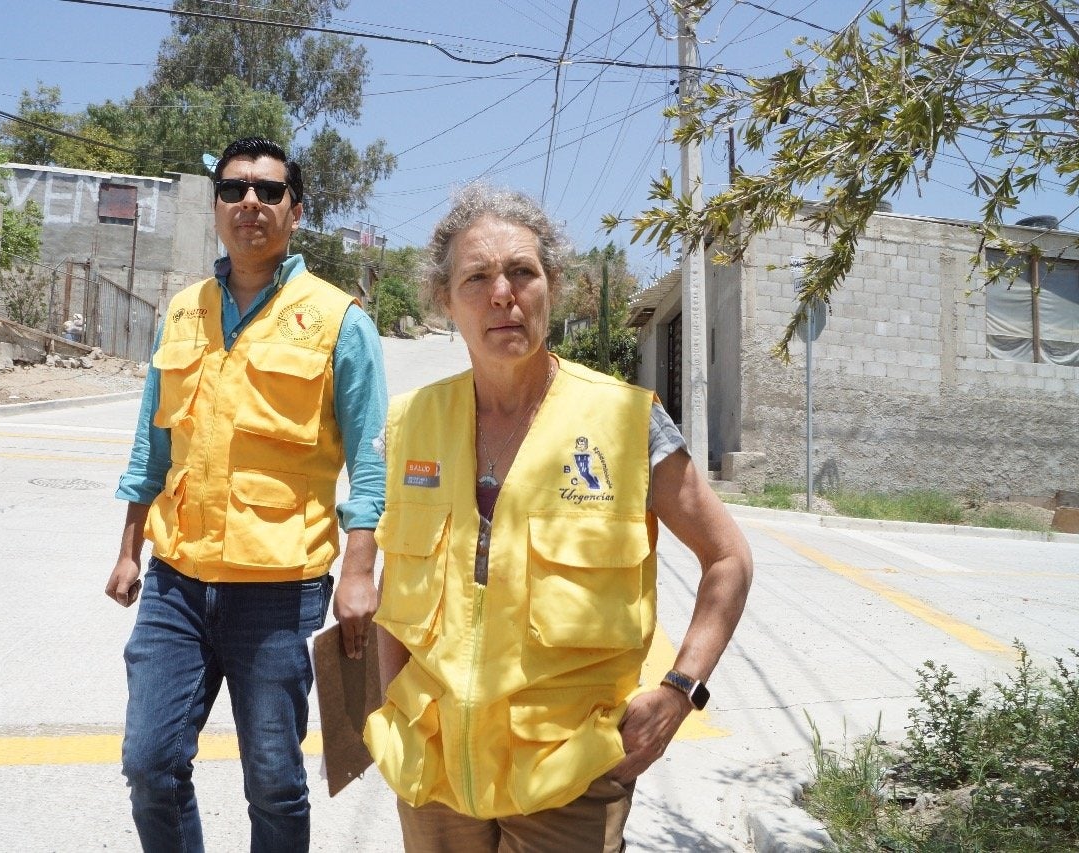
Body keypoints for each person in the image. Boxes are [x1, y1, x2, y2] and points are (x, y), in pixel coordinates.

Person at [363, 184, 753, 852]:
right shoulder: (407, 426)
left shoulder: (626, 421)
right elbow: (393, 596)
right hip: (432, 775)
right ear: (445, 299)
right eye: (476, 277)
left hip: (571, 779)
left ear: (555, 285)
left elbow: (728, 559)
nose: (502, 294)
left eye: (522, 272)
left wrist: (681, 689)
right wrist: (387, 704)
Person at [106, 137, 387, 853]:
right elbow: (153, 445)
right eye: (234, 190)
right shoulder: (183, 310)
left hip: (279, 591)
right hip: (176, 582)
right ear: (217, 206)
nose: (249, 204)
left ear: (296, 211)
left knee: (273, 778)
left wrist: (358, 571)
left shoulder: (337, 319)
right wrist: (129, 548)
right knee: (151, 764)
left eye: (269, 191)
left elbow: (372, 461)